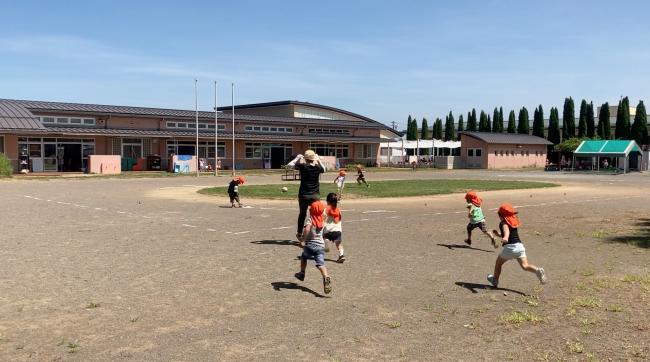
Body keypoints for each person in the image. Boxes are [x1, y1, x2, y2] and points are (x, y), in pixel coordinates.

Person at [487, 203, 547, 288]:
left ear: (501, 215)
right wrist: (498, 234)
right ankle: (537, 271)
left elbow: (506, 232)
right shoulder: (512, 222)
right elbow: (507, 233)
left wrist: (506, 238)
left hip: (510, 248)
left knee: (498, 263)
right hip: (519, 246)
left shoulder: (503, 223)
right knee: (525, 266)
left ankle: (495, 280)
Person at [295, 201, 332, 294]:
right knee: (321, 264)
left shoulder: (310, 219)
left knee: (304, 257)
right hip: (320, 246)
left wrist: (303, 240)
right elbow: (325, 233)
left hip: (310, 245)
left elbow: (307, 229)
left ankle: (302, 273)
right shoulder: (322, 220)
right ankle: (326, 276)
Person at [287, 150, 325, 240]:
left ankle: (300, 233)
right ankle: (316, 234)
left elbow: (289, 165)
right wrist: (318, 159)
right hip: (315, 195)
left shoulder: (303, 166)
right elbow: (324, 169)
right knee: (315, 215)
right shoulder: (317, 167)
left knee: (302, 214)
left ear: (306, 159)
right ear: (313, 159)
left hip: (304, 195)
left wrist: (298, 158)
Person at [324, 193, 345, 263]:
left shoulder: (327, 209)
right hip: (338, 231)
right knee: (338, 244)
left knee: (324, 237)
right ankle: (341, 255)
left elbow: (323, 218)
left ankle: (326, 241)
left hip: (328, 231)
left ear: (328, 201)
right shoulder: (338, 210)